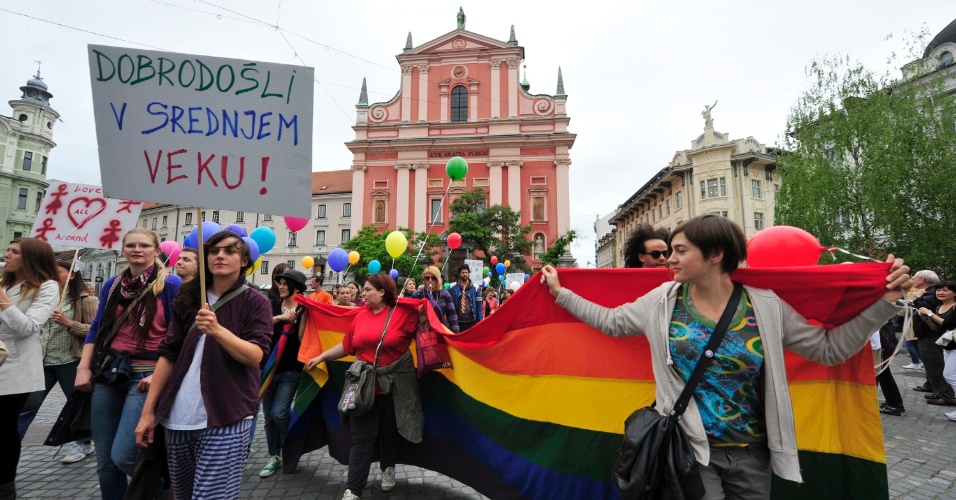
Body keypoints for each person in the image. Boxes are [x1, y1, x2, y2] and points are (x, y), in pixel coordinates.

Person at [539, 214, 910, 498]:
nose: (670, 259)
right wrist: (560, 293)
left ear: (715, 255)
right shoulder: (662, 303)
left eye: (680, 251)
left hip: (753, 453)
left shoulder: (765, 306)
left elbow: (830, 349)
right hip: (690, 450)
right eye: (669, 251)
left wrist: (886, 302)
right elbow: (612, 322)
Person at [134, 230, 272, 499]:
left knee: (210, 496)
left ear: (244, 260)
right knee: (184, 495)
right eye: (214, 251)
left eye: (230, 251)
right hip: (177, 417)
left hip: (227, 415)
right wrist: (148, 412)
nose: (220, 255)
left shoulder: (256, 301)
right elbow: (169, 353)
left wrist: (218, 330)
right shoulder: (188, 296)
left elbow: (255, 355)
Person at [75, 229, 182, 500]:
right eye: (131, 245)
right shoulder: (112, 284)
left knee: (124, 455)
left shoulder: (170, 286)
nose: (137, 249)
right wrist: (83, 367)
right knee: (105, 462)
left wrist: (160, 374)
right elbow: (96, 329)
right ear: (122, 249)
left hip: (146, 375)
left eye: (144, 245)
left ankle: (163, 492)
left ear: (157, 251)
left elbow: (179, 337)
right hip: (110, 374)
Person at [305, 275, 425, 500]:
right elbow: (347, 346)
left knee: (389, 433)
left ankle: (388, 469)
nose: (362, 293)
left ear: (382, 292)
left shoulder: (403, 314)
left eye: (367, 290)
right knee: (361, 438)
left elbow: (428, 325)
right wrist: (321, 356)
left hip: (394, 387)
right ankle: (354, 489)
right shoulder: (360, 317)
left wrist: (426, 312)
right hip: (362, 388)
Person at [16, 262, 98, 463]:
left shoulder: (86, 300)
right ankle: (10, 442)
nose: (50, 274)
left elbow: (96, 331)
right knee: (27, 405)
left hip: (70, 361)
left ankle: (83, 444)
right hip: (42, 360)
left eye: (57, 271)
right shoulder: (43, 297)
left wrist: (70, 324)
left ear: (70, 275)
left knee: (77, 407)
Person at [0, 238, 59, 499]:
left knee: (3, 428)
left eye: (14, 252)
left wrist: (3, 300)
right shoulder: (4, 283)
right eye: (8, 250)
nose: (7, 255)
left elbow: (28, 327)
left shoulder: (47, 287)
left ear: (31, 259)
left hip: (16, 369)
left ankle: (5, 486)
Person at [259, 269, 307, 478]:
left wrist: (296, 321)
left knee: (279, 412)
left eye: (285, 283)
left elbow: (304, 337)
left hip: (291, 369)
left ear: (296, 287)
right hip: (269, 368)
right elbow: (261, 327)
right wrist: (280, 318)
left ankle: (295, 443)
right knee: (269, 416)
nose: (280, 286)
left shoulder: (305, 309)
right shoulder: (272, 306)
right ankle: (274, 455)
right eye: (279, 282)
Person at [911, 271, 956, 405]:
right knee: (940, 368)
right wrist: (928, 321)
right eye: (939, 290)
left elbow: (949, 324)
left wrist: (928, 312)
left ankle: (948, 396)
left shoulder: (952, 306)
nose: (940, 293)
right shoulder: (939, 306)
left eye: (945, 290)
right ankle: (941, 393)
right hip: (945, 343)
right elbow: (938, 328)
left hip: (951, 343)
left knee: (945, 371)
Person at [408, 266, 459, 333]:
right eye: (427, 278)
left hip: (440, 331)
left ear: (438, 279)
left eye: (433, 278)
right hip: (423, 333)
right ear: (424, 280)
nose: (430, 280)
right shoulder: (417, 294)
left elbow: (452, 315)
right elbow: (410, 316)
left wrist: (456, 334)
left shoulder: (445, 294)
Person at [448, 266, 482, 331]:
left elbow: (479, 306)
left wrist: (480, 322)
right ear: (460, 274)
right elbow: (448, 303)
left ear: (469, 273)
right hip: (457, 321)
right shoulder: (452, 287)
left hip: (471, 321)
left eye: (466, 272)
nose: (465, 274)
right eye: (463, 273)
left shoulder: (476, 287)